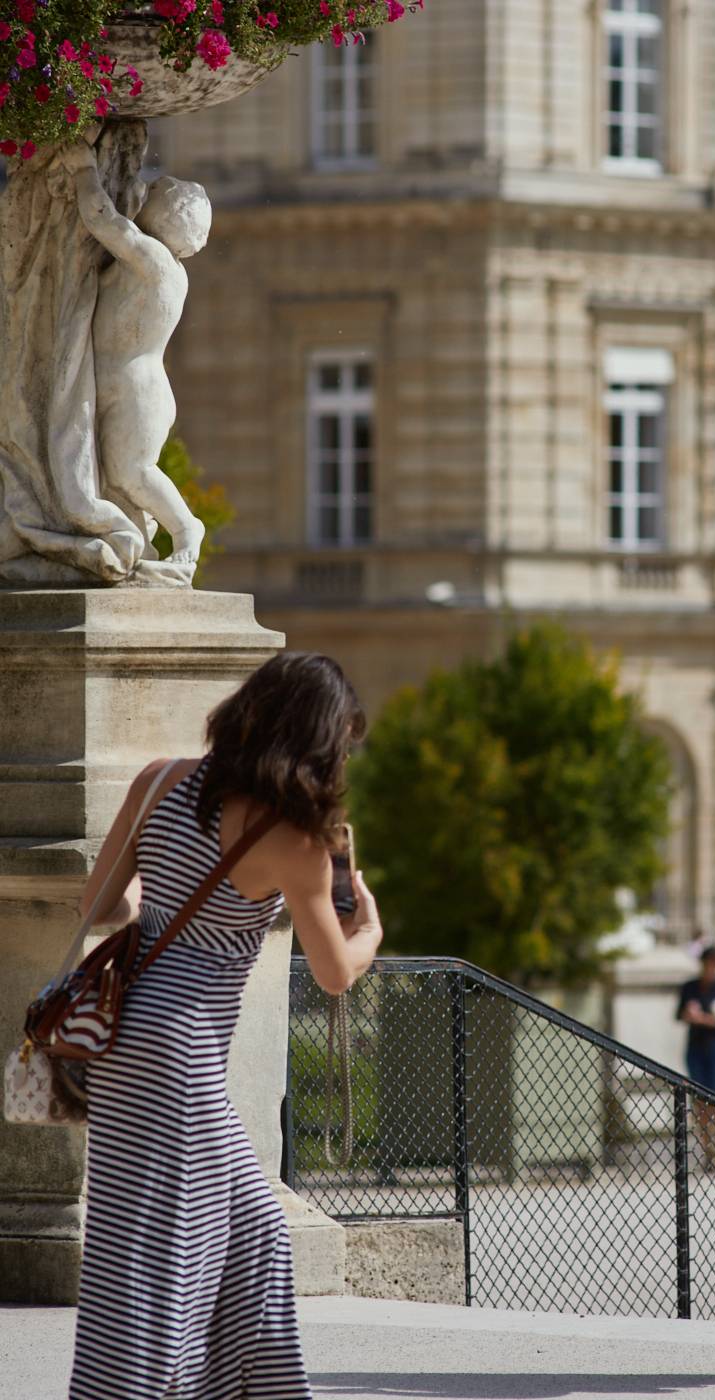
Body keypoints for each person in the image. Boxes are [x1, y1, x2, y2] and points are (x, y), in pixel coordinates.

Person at [69, 652, 383, 1400]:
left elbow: (98, 907)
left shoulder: (158, 781)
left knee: (244, 1231)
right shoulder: (296, 841)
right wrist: (370, 925)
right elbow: (336, 971)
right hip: (181, 1049)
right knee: (170, 1249)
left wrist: (163, 890)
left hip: (121, 1032)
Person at [61, 130, 209, 565]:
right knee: (112, 477)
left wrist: (84, 169)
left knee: (132, 471)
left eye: (155, 194)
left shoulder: (157, 261)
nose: (146, 194)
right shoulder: (158, 265)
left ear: (170, 216)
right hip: (121, 385)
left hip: (137, 392)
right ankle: (134, 541)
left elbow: (103, 221)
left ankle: (185, 528)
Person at [676, 943, 715, 1169]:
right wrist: (692, 1016)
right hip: (697, 1047)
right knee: (700, 1103)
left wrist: (703, 1019)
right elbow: (680, 1014)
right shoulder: (691, 987)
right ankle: (708, 1152)